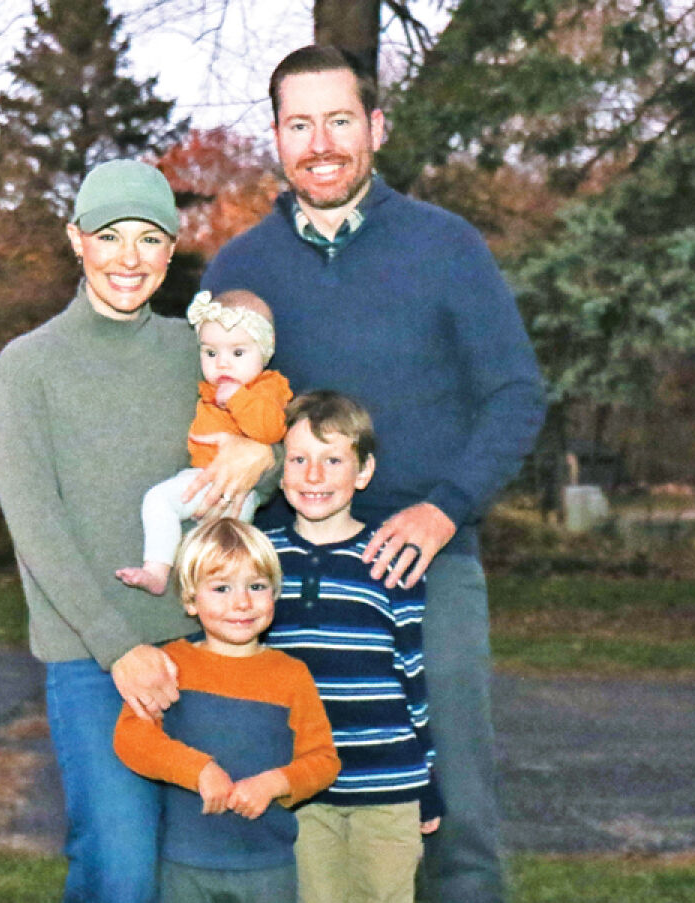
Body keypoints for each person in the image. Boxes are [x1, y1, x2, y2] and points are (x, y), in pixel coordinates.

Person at [200, 46, 547, 903]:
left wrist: (443, 510)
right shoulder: (237, 275)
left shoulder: (445, 246)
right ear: (277, 137)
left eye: (341, 120)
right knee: (291, 815)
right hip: (284, 581)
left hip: (423, 565)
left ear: (376, 128)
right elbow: (211, 429)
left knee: (452, 816)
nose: (322, 143)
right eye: (300, 123)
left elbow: (515, 393)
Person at [0, 159, 245, 903]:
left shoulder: (196, 357)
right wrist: (119, 647)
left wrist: (257, 453)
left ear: (172, 249)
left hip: (204, 647)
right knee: (122, 869)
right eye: (109, 235)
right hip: (95, 660)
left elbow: (253, 463)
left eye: (149, 238)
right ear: (76, 240)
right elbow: (36, 527)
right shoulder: (28, 368)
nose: (129, 258)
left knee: (198, 872)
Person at [264, 390, 444, 903]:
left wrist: (426, 782)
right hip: (301, 790)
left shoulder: (392, 559)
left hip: (388, 788)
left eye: (333, 460)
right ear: (280, 470)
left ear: (363, 472)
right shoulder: (261, 560)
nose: (314, 475)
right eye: (299, 459)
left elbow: (412, 675)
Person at [114, 517, 340, 903]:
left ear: (275, 594)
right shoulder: (171, 664)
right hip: (184, 863)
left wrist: (275, 784)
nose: (242, 602)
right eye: (221, 588)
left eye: (257, 586)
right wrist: (198, 769)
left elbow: (323, 760)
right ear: (190, 600)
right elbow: (132, 737)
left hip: (268, 866)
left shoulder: (291, 675)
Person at [116, 289, 292, 595]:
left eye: (237, 353)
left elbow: (271, 431)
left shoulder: (267, 388)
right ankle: (157, 569)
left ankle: (222, 597)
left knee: (223, 548)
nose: (222, 364)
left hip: (238, 488)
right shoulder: (207, 388)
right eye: (211, 353)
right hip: (199, 477)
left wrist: (239, 399)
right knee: (158, 501)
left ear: (266, 350)